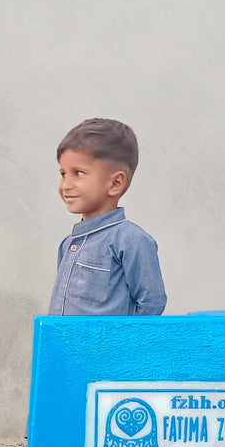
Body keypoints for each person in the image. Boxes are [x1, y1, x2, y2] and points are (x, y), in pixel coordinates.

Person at [48, 118, 167, 316]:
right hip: (65, 347)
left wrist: (119, 344)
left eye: (78, 173)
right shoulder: (67, 244)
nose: (66, 185)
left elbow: (152, 304)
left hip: (107, 347)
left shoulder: (131, 241)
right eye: (63, 174)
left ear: (115, 183)